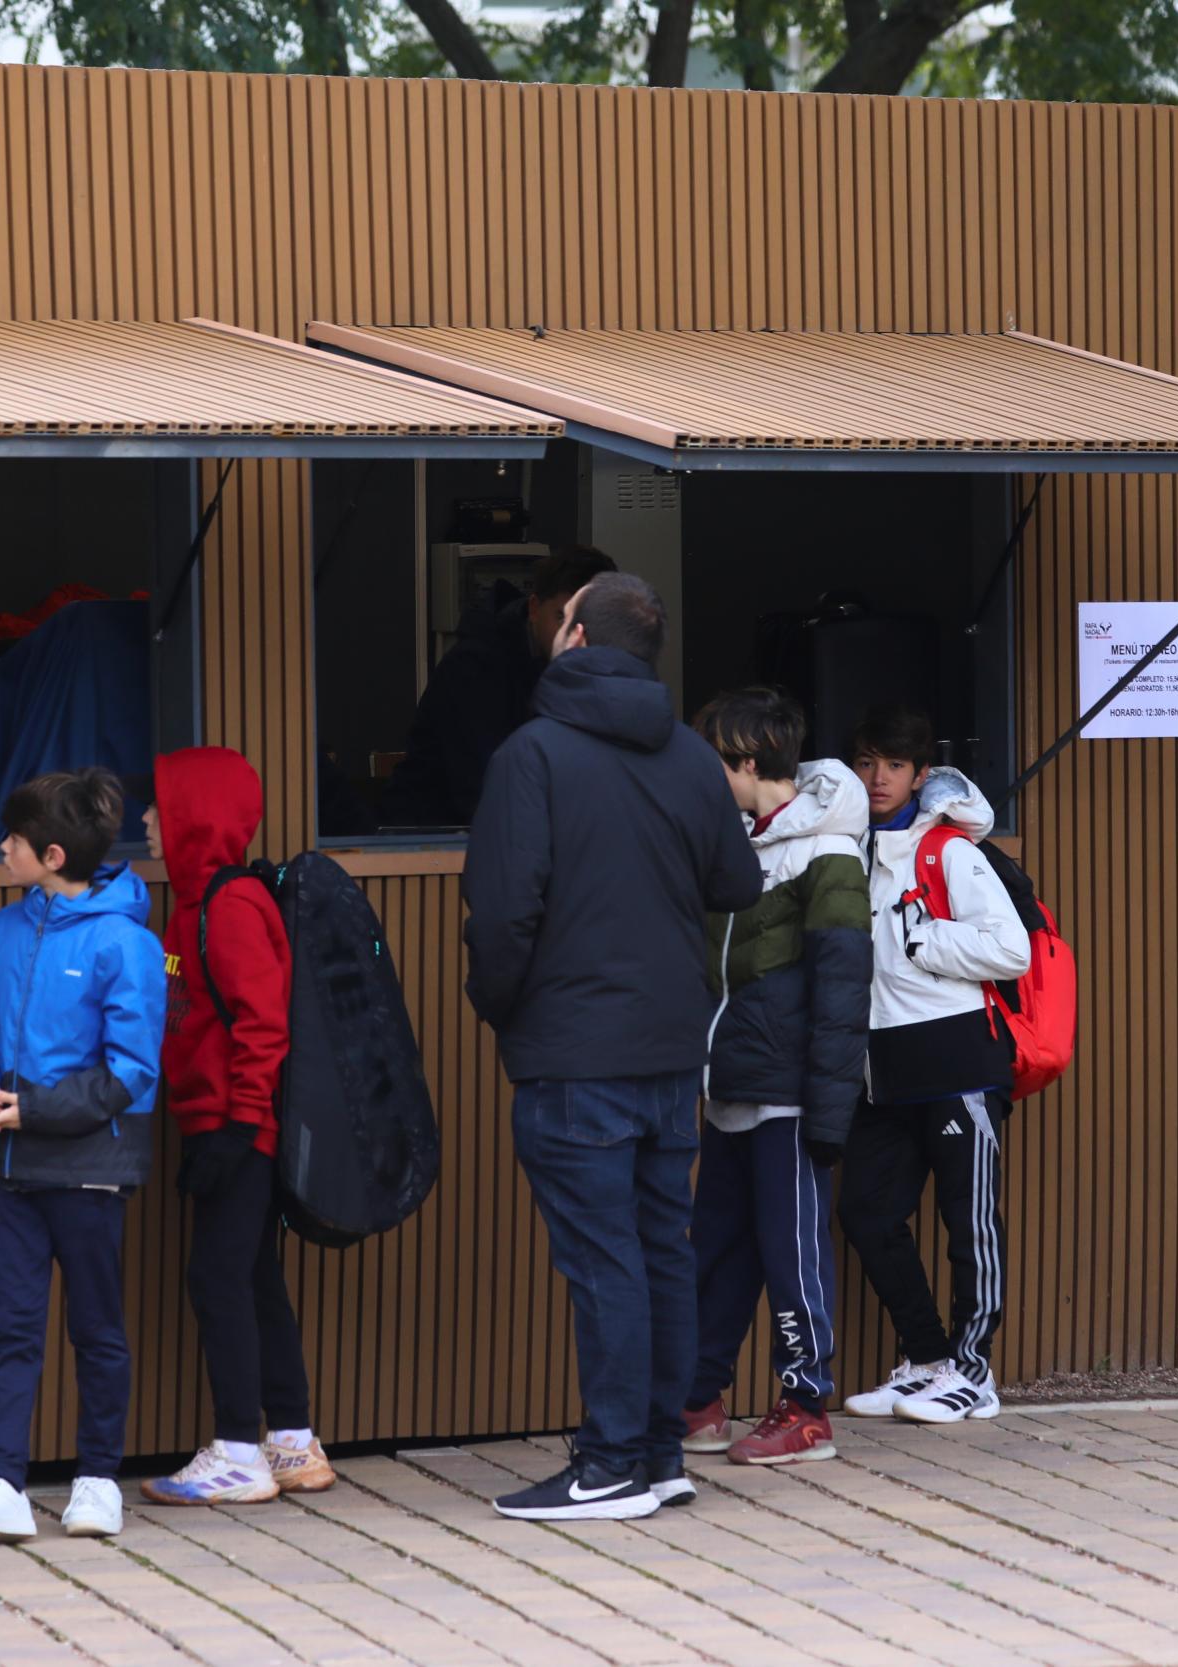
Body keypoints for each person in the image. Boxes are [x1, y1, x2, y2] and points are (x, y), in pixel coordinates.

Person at [463, 574, 763, 1521]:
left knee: (605, 1259)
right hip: (671, 1045)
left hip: (572, 1049)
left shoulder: (531, 754)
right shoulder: (689, 757)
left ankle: (611, 1463)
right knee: (659, 1248)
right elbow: (738, 883)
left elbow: (501, 916)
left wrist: (500, 1007)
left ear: (577, 637)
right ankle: (659, 1453)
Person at [0, 768, 167, 1544]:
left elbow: (131, 1071)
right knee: (14, 1327)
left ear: (53, 853)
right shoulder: (1, 930)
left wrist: (32, 1107)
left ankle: (97, 1480)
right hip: (7, 1167)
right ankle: (1, 1479)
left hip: (90, 1167)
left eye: (15, 839)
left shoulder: (127, 943)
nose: (2, 848)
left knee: (95, 1327)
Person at [138, 747, 334, 1505]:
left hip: (238, 1127)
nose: (148, 820)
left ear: (196, 817)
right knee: (252, 1275)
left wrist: (242, 1125)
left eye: (161, 806)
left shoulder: (230, 905)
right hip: (220, 1123)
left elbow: (263, 1025)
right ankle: (291, 1441)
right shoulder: (192, 905)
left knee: (217, 1277)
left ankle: (237, 1452)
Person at [681, 690, 869, 1467]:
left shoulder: (829, 851)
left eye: (712, 759)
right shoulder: (733, 842)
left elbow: (844, 988)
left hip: (788, 1091)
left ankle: (806, 1406)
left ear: (748, 761)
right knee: (717, 1247)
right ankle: (699, 1399)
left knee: (792, 1252)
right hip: (729, 1081)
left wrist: (829, 1109)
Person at [835, 705, 1031, 1426]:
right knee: (866, 1212)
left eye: (894, 764)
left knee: (967, 1222)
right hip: (880, 1070)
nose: (878, 777)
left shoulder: (947, 850)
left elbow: (1010, 949)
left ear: (921, 775)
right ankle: (927, 1359)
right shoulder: (848, 850)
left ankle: (973, 1374)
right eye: (866, 762)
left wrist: (925, 940)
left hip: (957, 1063)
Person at [381, 546, 619, 828]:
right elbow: (486, 791)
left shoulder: (586, 671)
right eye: (562, 618)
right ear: (534, 609)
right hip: (431, 839)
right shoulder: (476, 667)